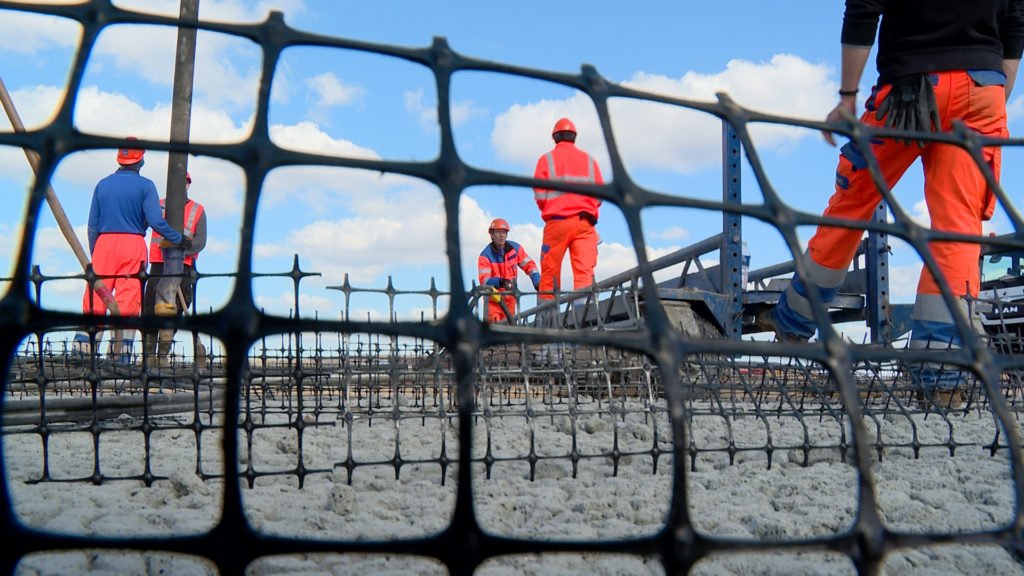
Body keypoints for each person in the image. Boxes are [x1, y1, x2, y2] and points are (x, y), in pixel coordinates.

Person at [763, 0, 1023, 408]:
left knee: (853, 204)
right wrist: (991, 97)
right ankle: (943, 379)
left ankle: (794, 324)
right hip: (982, 92)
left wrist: (847, 97)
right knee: (955, 229)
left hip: (906, 91)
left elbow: (864, 7)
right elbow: (1015, 21)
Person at [73, 138, 188, 362]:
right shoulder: (146, 186)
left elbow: (92, 225)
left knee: (96, 299)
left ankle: (82, 355)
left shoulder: (102, 184)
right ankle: (120, 358)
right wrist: (178, 238)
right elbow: (156, 221)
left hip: (103, 245)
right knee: (128, 302)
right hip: (133, 244)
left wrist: (96, 252)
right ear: (141, 160)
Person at [533, 117, 604, 300]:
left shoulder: (546, 160)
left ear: (554, 137)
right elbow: (600, 195)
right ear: (574, 137)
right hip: (586, 224)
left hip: (558, 222)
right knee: (584, 275)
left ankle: (546, 318)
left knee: (550, 273)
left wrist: (551, 208)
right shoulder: (589, 160)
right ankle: (584, 317)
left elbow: (540, 195)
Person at [142, 171, 207, 362]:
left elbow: (200, 241)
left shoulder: (197, 210)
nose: (181, 186)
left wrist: (179, 252)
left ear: (188, 185)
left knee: (177, 307)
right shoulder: (158, 205)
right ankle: (148, 355)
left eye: (185, 183)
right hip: (158, 265)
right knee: (150, 308)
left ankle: (163, 354)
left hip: (184, 266)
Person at [478, 218, 541, 323]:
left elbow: (530, 265)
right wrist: (500, 282)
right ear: (491, 235)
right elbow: (484, 282)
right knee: (494, 334)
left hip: (510, 301)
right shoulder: (485, 256)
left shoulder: (515, 249)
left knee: (509, 333)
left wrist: (537, 280)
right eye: (498, 232)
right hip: (493, 303)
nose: (501, 235)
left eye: (504, 232)